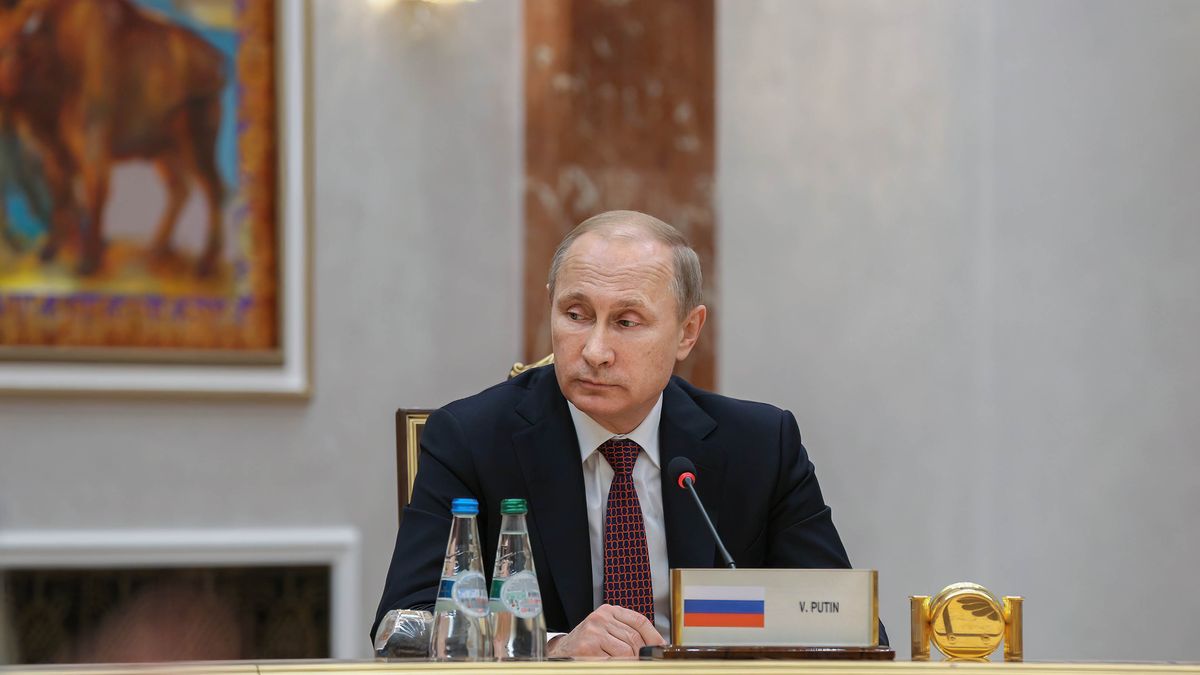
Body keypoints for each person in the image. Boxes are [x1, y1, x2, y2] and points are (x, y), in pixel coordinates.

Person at [373, 210, 885, 656]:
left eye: (626, 321)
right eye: (575, 315)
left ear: (687, 331)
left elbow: (852, 627)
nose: (594, 350)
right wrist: (550, 645)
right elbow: (400, 628)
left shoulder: (760, 445)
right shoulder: (470, 438)